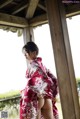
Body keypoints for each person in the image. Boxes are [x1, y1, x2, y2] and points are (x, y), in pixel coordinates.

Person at [20, 41, 59, 119]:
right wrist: (53, 93)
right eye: (24, 54)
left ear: (34, 52)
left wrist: (37, 91)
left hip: (37, 97)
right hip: (46, 97)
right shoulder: (43, 66)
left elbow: (36, 80)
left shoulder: (33, 65)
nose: (25, 56)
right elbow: (53, 78)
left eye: (26, 53)